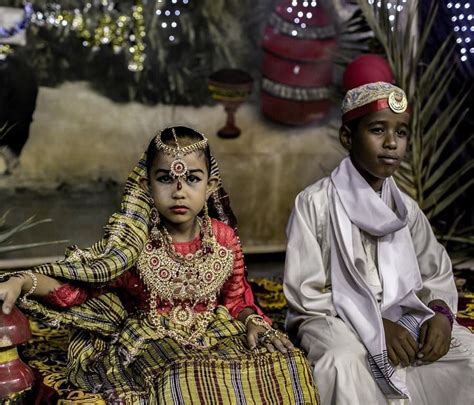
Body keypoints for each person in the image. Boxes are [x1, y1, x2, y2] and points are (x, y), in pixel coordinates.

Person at [0, 126, 318, 404]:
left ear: (209, 187)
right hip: (152, 337)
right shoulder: (133, 243)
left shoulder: (223, 238)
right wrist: (23, 282)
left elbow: (237, 301)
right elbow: (77, 289)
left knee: (288, 363)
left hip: (215, 330)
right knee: (187, 377)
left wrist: (253, 323)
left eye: (192, 178)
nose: (179, 191)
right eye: (166, 179)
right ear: (148, 186)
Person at [283, 82, 474, 405]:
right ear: (348, 137)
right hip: (334, 317)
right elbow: (306, 293)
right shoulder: (315, 203)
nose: (391, 144)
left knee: (466, 355)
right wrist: (374, 325)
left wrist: (440, 315)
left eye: (401, 133)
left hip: (400, 312)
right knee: (340, 363)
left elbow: (435, 271)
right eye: (377, 130)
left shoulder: (405, 209)